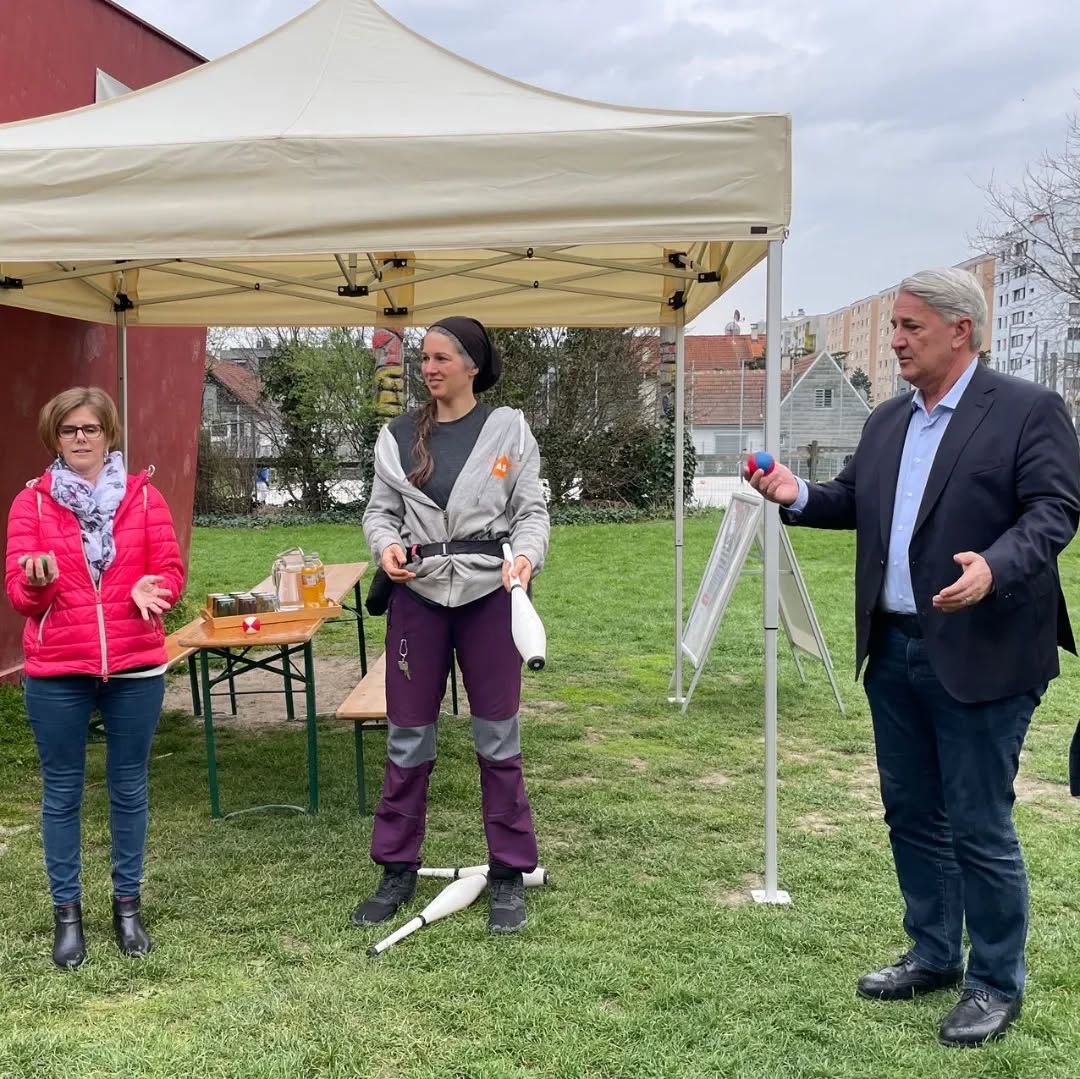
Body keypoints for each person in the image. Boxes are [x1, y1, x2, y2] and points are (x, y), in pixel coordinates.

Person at [751, 268, 1080, 1047]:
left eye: (910, 327)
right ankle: (934, 952)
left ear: (960, 330)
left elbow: (1056, 508)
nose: (894, 340)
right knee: (911, 812)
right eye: (893, 326)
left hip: (987, 650)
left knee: (977, 820)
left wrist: (995, 566)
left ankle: (995, 980)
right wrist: (799, 492)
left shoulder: (1030, 412)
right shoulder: (888, 421)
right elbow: (853, 502)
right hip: (895, 648)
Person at [356, 316, 549, 934]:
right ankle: (396, 867)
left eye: (442, 358)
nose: (430, 368)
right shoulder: (397, 435)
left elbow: (531, 512)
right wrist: (385, 546)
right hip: (417, 599)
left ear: (473, 365)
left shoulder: (508, 430)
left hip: (491, 596)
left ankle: (509, 872)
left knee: (499, 738)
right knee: (408, 738)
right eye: (425, 358)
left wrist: (523, 557)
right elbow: (380, 513)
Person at [5, 387, 185, 969]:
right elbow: (21, 596)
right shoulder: (30, 505)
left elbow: (171, 572)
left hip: (135, 664)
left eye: (90, 428)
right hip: (58, 667)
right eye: (68, 430)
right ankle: (68, 916)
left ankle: (127, 909)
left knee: (129, 788)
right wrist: (37, 582)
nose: (80, 438)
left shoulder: (145, 498)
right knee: (62, 794)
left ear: (109, 434)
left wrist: (147, 589)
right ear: (54, 439)